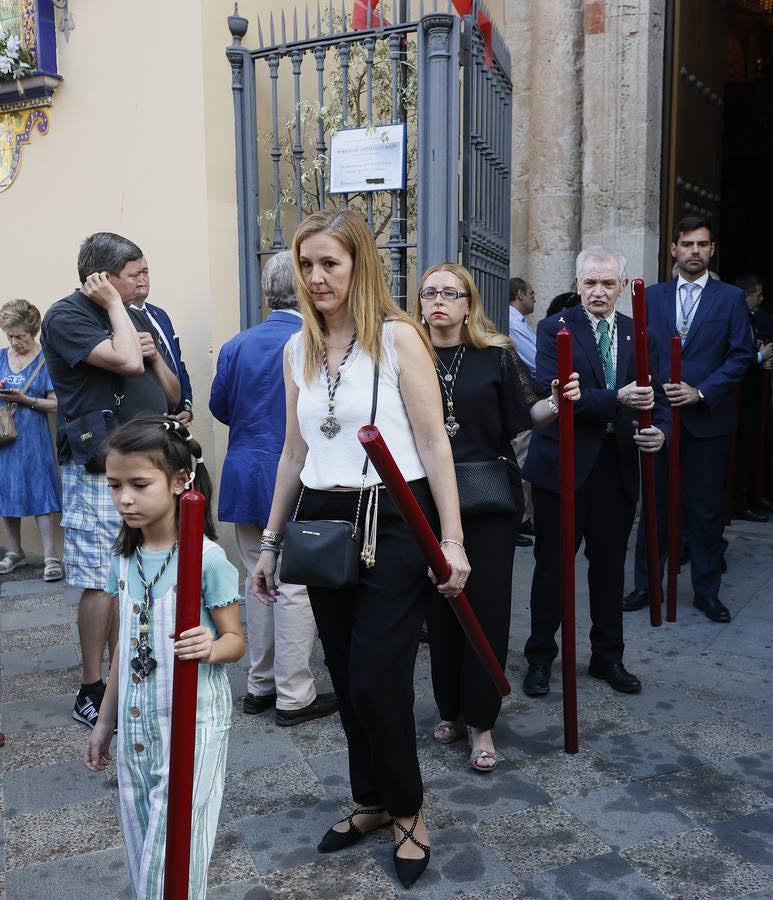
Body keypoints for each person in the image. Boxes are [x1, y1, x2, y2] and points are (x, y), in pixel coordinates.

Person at [252, 207, 468, 889]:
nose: (316, 278)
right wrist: (267, 543)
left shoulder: (399, 339)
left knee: (378, 675)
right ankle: (370, 799)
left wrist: (452, 539)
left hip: (396, 517)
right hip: (321, 520)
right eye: (306, 265)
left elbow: (435, 444)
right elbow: (294, 450)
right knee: (345, 674)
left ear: (358, 266)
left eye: (329, 264)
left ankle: (408, 811)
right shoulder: (297, 349)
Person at [416, 263, 579, 771]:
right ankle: (453, 710)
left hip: (487, 499)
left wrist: (556, 400)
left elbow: (525, 413)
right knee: (439, 610)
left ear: (469, 304)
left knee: (484, 607)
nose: (439, 300)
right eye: (429, 293)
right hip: (426, 500)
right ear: (420, 303)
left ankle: (483, 722)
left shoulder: (495, 355)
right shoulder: (405, 355)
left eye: (451, 292)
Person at [83, 415, 244, 900]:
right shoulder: (123, 558)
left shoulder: (208, 558)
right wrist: (104, 722)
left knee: (176, 849)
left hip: (193, 723)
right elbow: (123, 654)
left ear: (179, 481)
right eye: (114, 486)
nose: (124, 499)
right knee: (140, 842)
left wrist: (211, 646)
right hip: (135, 726)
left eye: (138, 484)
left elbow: (236, 640)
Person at [42, 232, 180, 728]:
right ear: (101, 278)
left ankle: (130, 675)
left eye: (146, 270)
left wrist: (152, 349)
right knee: (100, 579)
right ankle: (92, 685)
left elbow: (169, 392)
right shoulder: (67, 316)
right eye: (136, 273)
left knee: (135, 574)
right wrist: (115, 308)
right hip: (97, 467)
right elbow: (123, 361)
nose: (146, 280)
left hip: (145, 459)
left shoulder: (137, 313)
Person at [523, 246, 668, 697]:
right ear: (577, 283)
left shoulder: (639, 334)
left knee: (608, 569)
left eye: (608, 283)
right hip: (562, 466)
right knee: (552, 569)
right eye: (590, 283)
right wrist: (618, 400)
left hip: (616, 467)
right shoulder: (554, 329)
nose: (598, 291)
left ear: (622, 287)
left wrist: (659, 431)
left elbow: (655, 396)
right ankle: (541, 659)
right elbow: (565, 398)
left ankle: (609, 657)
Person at [209, 250, 337, 726]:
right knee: (295, 585)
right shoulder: (315, 340)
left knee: (256, 578)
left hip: (246, 470)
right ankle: (294, 692)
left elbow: (220, 408)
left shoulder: (237, 344)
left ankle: (259, 684)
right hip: (298, 473)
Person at [623, 216, 754, 623]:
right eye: (687, 244)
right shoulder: (652, 297)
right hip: (659, 418)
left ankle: (706, 591)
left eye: (702, 244)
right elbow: (639, 349)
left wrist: (701, 391)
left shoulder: (730, 298)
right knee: (654, 505)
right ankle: (647, 585)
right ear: (674, 249)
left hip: (707, 421)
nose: (694, 251)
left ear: (711, 250)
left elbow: (741, 355)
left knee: (706, 509)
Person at [0, 299, 62, 581]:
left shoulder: (46, 360)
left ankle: (51, 556)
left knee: (42, 491)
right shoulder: (1, 357)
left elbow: (57, 403)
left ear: (33, 331)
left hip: (35, 439)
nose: (14, 342)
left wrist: (26, 400)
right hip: (4, 440)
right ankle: (15, 551)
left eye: (20, 336)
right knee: (6, 492)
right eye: (9, 336)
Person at [128, 258, 194, 424]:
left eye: (145, 272)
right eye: (135, 274)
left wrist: (186, 405)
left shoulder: (160, 315)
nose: (142, 279)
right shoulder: (120, 320)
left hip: (176, 419)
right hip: (147, 421)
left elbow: (177, 363)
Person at [732, 274, 773, 521]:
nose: (761, 298)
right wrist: (759, 357)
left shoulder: (753, 319)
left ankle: (751, 498)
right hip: (736, 400)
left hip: (750, 399)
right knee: (738, 455)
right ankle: (739, 502)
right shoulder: (736, 319)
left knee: (750, 452)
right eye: (758, 293)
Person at [508, 277, 539, 545]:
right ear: (520, 294)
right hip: (522, 399)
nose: (534, 299)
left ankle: (522, 517)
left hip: (527, 397)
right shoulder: (512, 321)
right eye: (531, 293)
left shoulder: (519, 321)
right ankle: (514, 521)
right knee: (519, 460)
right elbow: (536, 359)